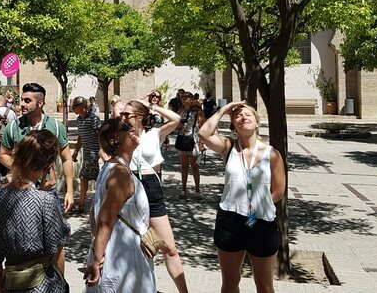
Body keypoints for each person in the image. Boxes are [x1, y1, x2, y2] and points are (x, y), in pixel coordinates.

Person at [198, 101, 286, 293]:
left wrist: (257, 208)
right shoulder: (228, 147)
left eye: (248, 115)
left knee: (264, 285)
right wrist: (223, 110)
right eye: (237, 116)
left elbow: (279, 191)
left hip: (260, 221)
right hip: (230, 219)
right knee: (230, 282)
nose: (243, 117)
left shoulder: (272, 154)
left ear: (256, 123)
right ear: (233, 125)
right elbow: (204, 134)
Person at [0, 130, 70, 293]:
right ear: (48, 166)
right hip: (45, 285)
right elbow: (57, 250)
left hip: (11, 283)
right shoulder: (45, 200)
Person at [122, 99, 188, 293]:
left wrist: (152, 107)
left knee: (169, 247)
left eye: (128, 114)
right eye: (123, 114)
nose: (123, 117)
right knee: (134, 246)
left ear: (140, 116)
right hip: (130, 186)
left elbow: (176, 119)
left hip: (151, 187)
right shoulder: (120, 135)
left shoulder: (153, 134)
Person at [84, 118, 155, 292]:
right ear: (113, 140)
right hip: (123, 257)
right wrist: (96, 258)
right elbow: (104, 221)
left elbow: (94, 212)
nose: (132, 129)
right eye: (126, 127)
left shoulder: (111, 167)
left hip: (117, 251)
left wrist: (96, 247)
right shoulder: (120, 173)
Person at [0, 82, 74, 212]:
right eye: (22, 100)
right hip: (21, 189)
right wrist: (21, 168)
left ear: (40, 103)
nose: (22, 104)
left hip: (49, 190)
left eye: (27, 101)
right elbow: (3, 155)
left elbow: (67, 159)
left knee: (52, 229)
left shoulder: (56, 127)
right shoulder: (13, 127)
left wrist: (70, 191)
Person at [70, 96, 101, 214]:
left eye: (74, 106)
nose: (73, 108)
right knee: (96, 178)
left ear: (82, 107)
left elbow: (100, 135)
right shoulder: (79, 120)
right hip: (86, 152)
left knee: (84, 177)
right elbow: (80, 137)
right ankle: (98, 201)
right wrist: (76, 151)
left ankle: (81, 204)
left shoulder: (93, 119)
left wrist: (102, 152)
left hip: (93, 153)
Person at [176, 92, 205, 199]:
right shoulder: (180, 111)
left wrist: (202, 143)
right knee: (184, 166)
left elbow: (202, 127)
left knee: (194, 166)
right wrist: (179, 125)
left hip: (194, 141)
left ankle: (197, 190)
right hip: (183, 139)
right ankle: (183, 190)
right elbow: (175, 125)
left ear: (192, 99)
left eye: (187, 97)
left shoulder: (198, 111)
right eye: (183, 97)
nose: (185, 99)